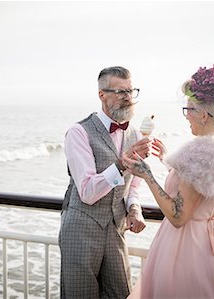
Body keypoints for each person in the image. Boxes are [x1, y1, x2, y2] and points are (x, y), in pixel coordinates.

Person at [124, 63, 214, 299]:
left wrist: (147, 174)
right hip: (206, 244)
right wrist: (171, 160)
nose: (186, 116)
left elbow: (179, 216)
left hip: (184, 248)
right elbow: (200, 186)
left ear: (203, 115)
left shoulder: (197, 154)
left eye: (188, 110)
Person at [59, 66, 150, 298]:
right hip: (81, 231)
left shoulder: (136, 135)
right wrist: (121, 164)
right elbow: (88, 191)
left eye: (131, 91)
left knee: (121, 293)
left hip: (116, 229)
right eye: (120, 92)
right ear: (102, 95)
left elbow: (134, 186)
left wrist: (134, 210)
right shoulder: (78, 132)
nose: (128, 98)